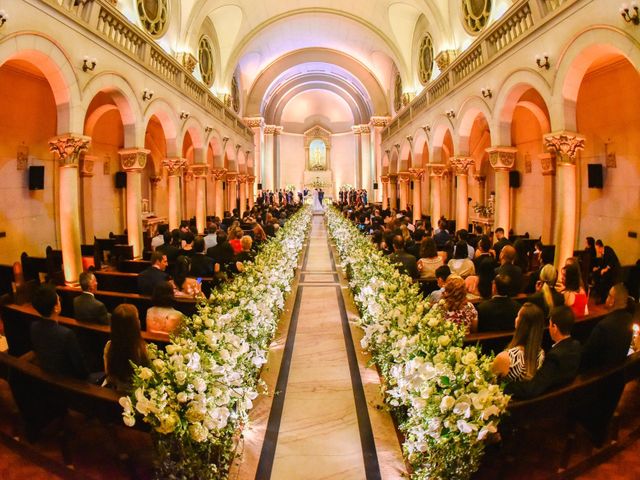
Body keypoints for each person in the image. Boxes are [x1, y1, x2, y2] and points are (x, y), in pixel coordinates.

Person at [506, 306, 582, 399]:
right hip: (566, 396)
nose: (549, 328)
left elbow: (532, 389)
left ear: (554, 327)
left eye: (550, 324)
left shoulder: (554, 357)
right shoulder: (576, 345)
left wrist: (505, 386)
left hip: (553, 401)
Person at [30, 284, 87, 379]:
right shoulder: (66, 334)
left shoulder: (33, 326)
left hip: (48, 375)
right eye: (58, 300)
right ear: (56, 308)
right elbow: (81, 369)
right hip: (70, 382)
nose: (60, 301)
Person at [581, 284, 634, 371]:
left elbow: (587, 354)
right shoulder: (629, 319)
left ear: (612, 301)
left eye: (608, 295)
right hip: (618, 372)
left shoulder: (603, 327)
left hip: (598, 375)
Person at [492, 303, 545, 381]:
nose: (516, 318)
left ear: (521, 323)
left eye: (518, 315)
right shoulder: (541, 354)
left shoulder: (505, 358)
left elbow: (490, 383)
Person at [103, 304, 149, 392]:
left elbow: (108, 373)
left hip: (117, 390)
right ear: (135, 325)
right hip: (138, 394)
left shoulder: (109, 346)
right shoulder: (144, 349)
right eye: (137, 319)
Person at [592, 240, 620, 304]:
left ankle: (603, 298)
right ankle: (598, 292)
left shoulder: (608, 250)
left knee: (604, 280)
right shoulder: (603, 253)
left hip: (613, 272)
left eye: (597, 248)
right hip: (608, 271)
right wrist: (598, 268)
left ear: (600, 247)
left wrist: (605, 269)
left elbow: (612, 261)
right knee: (596, 274)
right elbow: (603, 264)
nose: (597, 250)